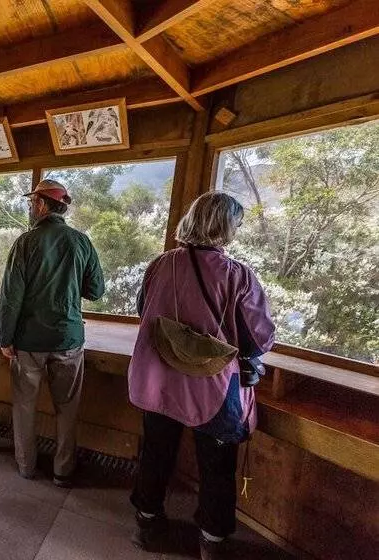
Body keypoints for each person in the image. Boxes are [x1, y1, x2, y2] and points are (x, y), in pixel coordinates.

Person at [127, 192, 275, 560]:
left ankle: (147, 522)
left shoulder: (160, 265)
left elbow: (143, 310)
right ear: (226, 227)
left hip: (159, 380)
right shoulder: (238, 275)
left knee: (156, 454)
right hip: (211, 387)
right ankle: (211, 539)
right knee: (217, 468)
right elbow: (259, 337)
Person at [0, 179, 105, 487]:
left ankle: (26, 467)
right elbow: (95, 291)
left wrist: (6, 339)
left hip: (29, 342)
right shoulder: (81, 242)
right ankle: (63, 471)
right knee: (67, 409)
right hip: (68, 339)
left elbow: (11, 297)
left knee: (24, 407)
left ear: (43, 205)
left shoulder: (24, 243)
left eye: (32, 203)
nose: (31, 208)